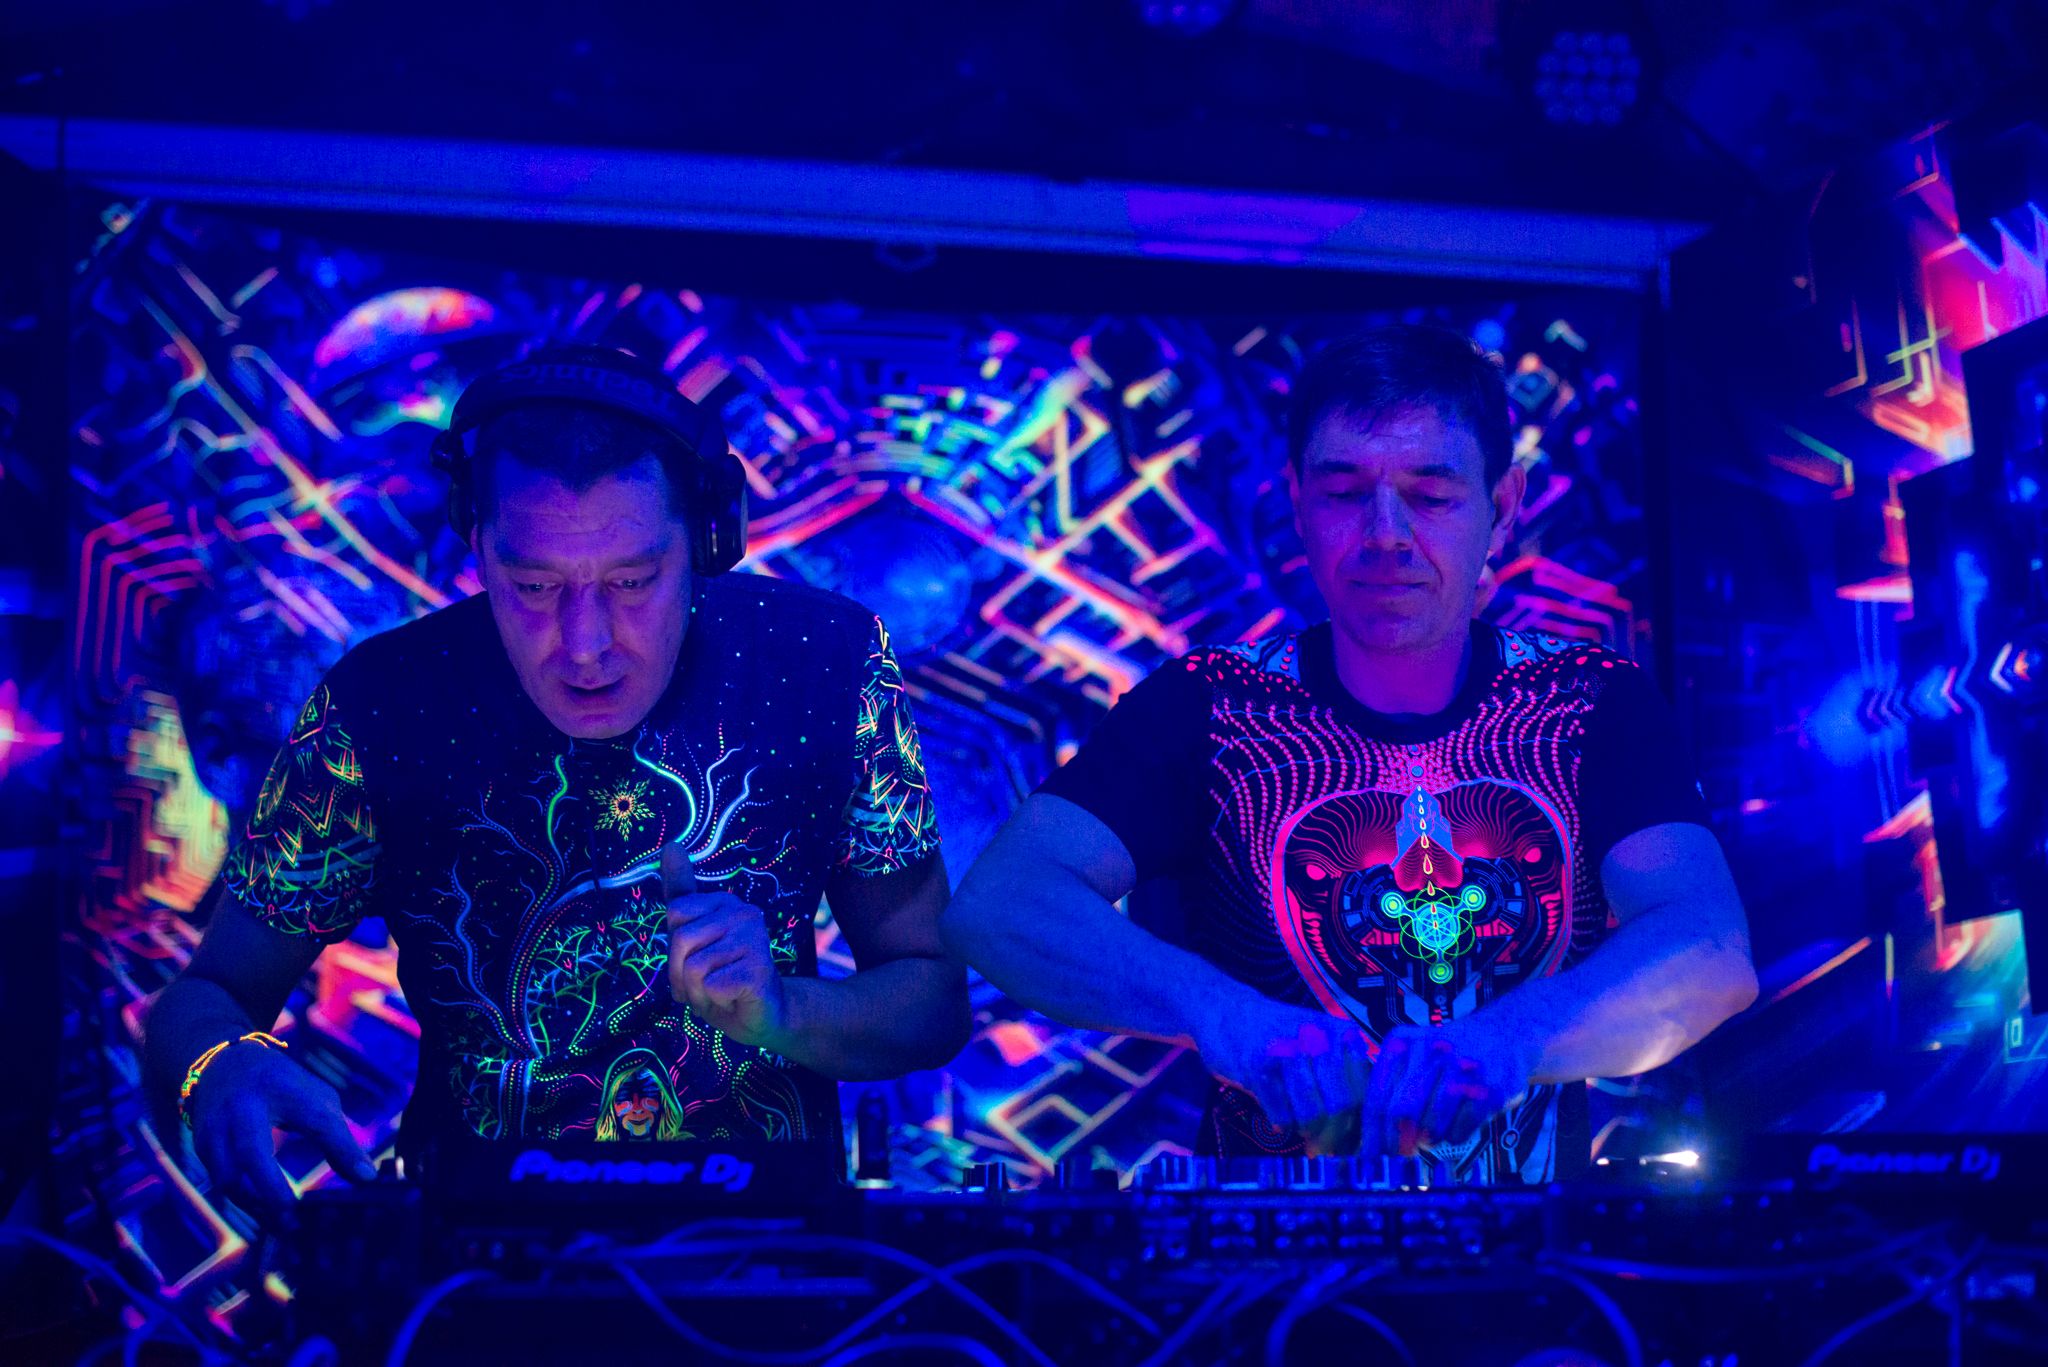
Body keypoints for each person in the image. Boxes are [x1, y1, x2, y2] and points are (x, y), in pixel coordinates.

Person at [145, 344, 968, 1212]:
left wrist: (785, 1013)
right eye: (534, 585)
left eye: (633, 580)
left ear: (707, 539)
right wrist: (218, 1063)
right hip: (474, 1256)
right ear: (474, 538)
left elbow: (934, 998)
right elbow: (208, 993)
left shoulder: (826, 666)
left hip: (767, 1248)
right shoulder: (376, 706)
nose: (585, 644)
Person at [941, 323, 1757, 1182]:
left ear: (1504, 504)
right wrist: (1222, 1013)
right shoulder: (1211, 705)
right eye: (1343, 493)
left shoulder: (1587, 702)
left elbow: (1709, 948)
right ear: (1297, 503)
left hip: (1537, 1248)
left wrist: (1515, 1038)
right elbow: (996, 906)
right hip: (1259, 1246)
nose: (1386, 533)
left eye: (1431, 496)